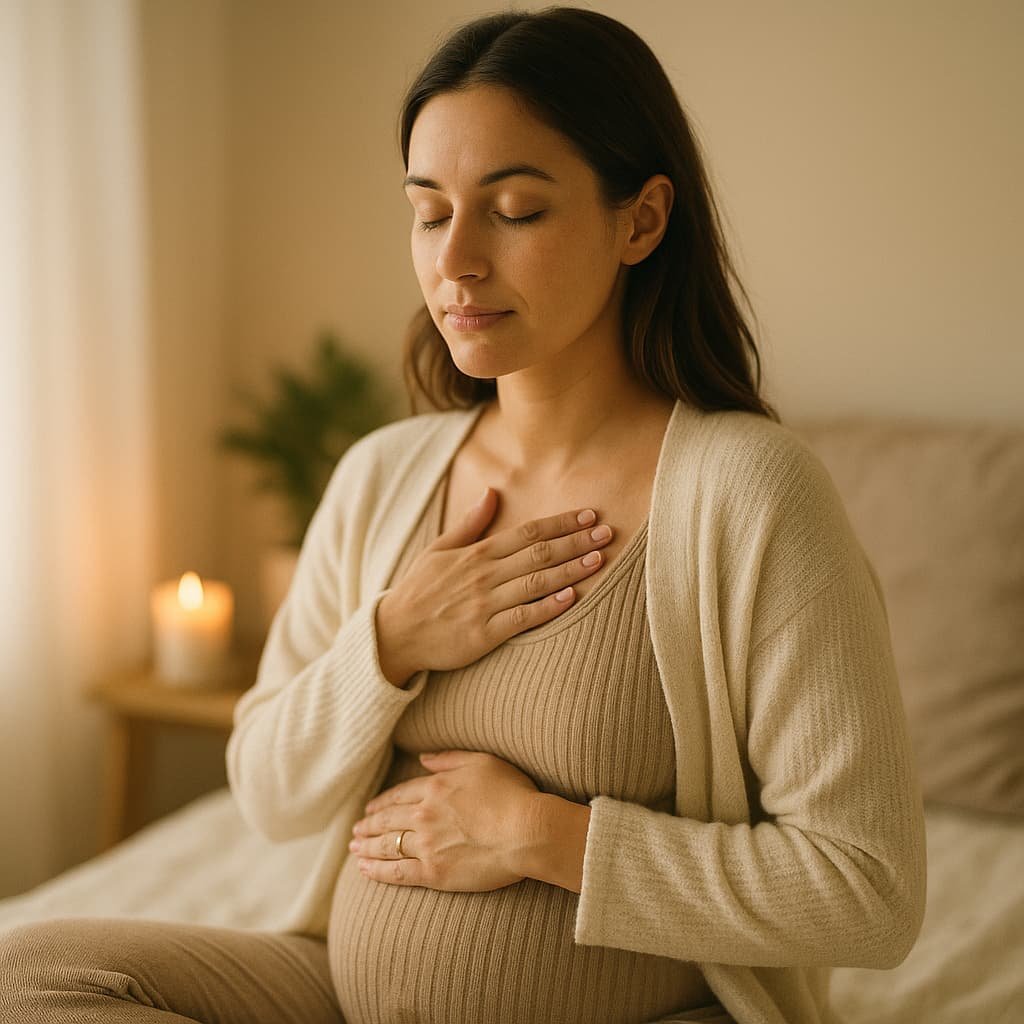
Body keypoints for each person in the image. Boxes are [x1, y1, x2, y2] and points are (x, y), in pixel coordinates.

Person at [0, 7, 926, 1024]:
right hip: (341, 995)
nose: (457, 261)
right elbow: (268, 793)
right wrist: (391, 641)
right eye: (430, 212)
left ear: (641, 221)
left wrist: (542, 836)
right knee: (26, 972)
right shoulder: (381, 476)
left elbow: (868, 890)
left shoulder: (750, 494)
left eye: (515, 210)